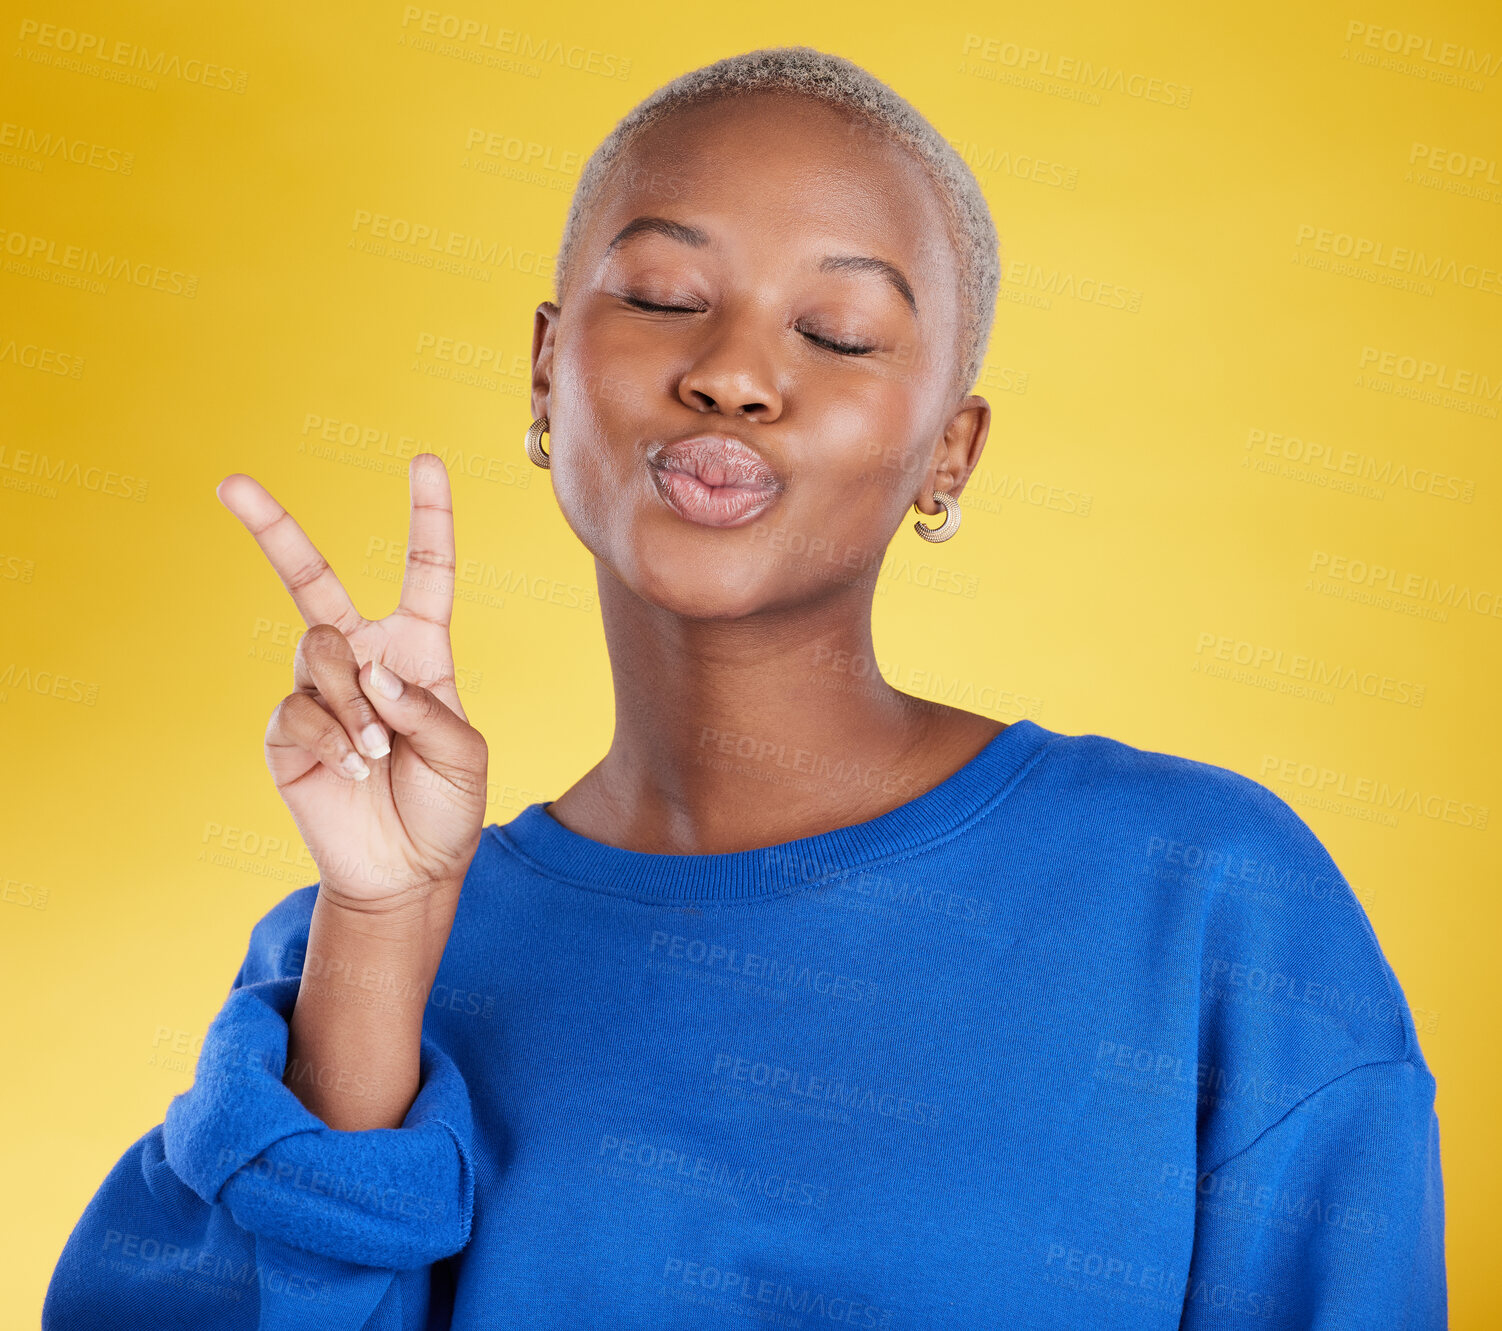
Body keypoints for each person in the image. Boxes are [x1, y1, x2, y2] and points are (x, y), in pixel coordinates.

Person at [44, 45, 1445, 1329]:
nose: (729, 376)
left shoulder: (1203, 898)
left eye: (835, 334)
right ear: (546, 368)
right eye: (661, 299)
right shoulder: (352, 949)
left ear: (948, 454)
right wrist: (377, 940)